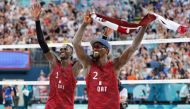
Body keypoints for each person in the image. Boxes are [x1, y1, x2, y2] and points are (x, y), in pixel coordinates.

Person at [73, 11, 148, 109]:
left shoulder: (115, 65)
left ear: (106, 51)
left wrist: (144, 27)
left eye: (97, 46)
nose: (94, 48)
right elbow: (76, 43)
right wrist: (84, 24)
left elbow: (133, 47)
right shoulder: (88, 64)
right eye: (93, 47)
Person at [31, 4, 82, 109]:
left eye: (66, 48)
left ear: (71, 53)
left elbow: (86, 54)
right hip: (51, 106)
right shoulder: (54, 63)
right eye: (61, 48)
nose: (62, 49)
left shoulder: (75, 67)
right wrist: (37, 20)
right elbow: (41, 41)